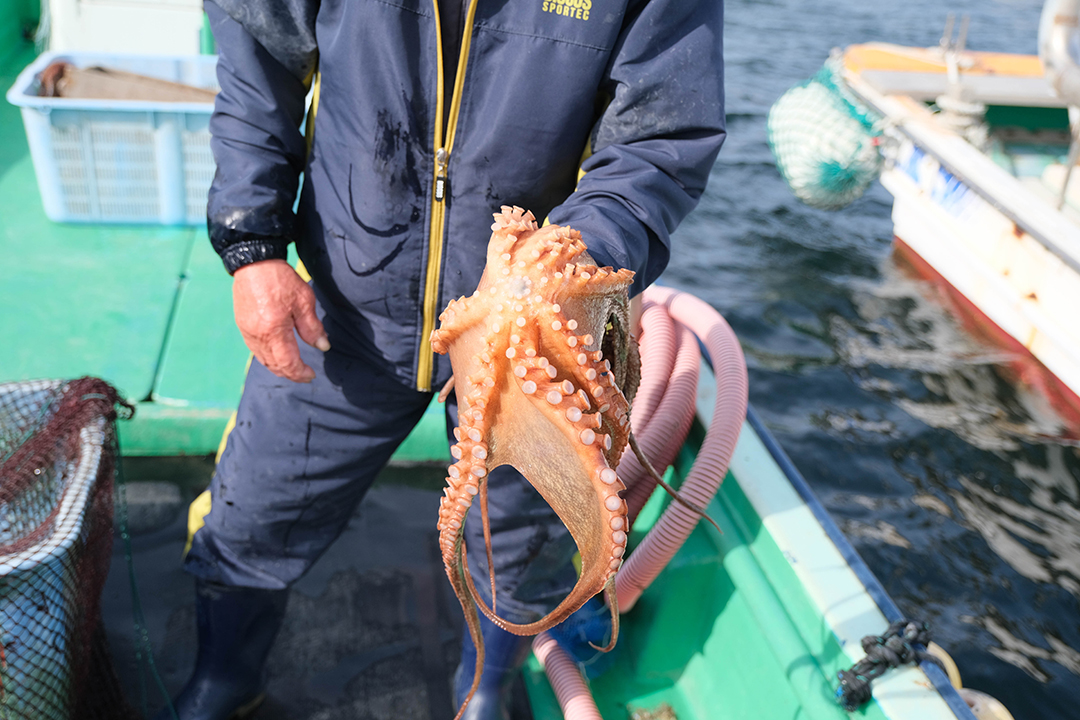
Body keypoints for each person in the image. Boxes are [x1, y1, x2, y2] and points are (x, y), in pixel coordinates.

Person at [167, 0, 725, 718]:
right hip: (348, 299)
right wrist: (254, 246)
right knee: (257, 505)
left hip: (540, 324)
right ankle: (223, 679)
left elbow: (659, 135)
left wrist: (574, 253)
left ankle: (485, 692)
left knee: (520, 539)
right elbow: (257, 61)